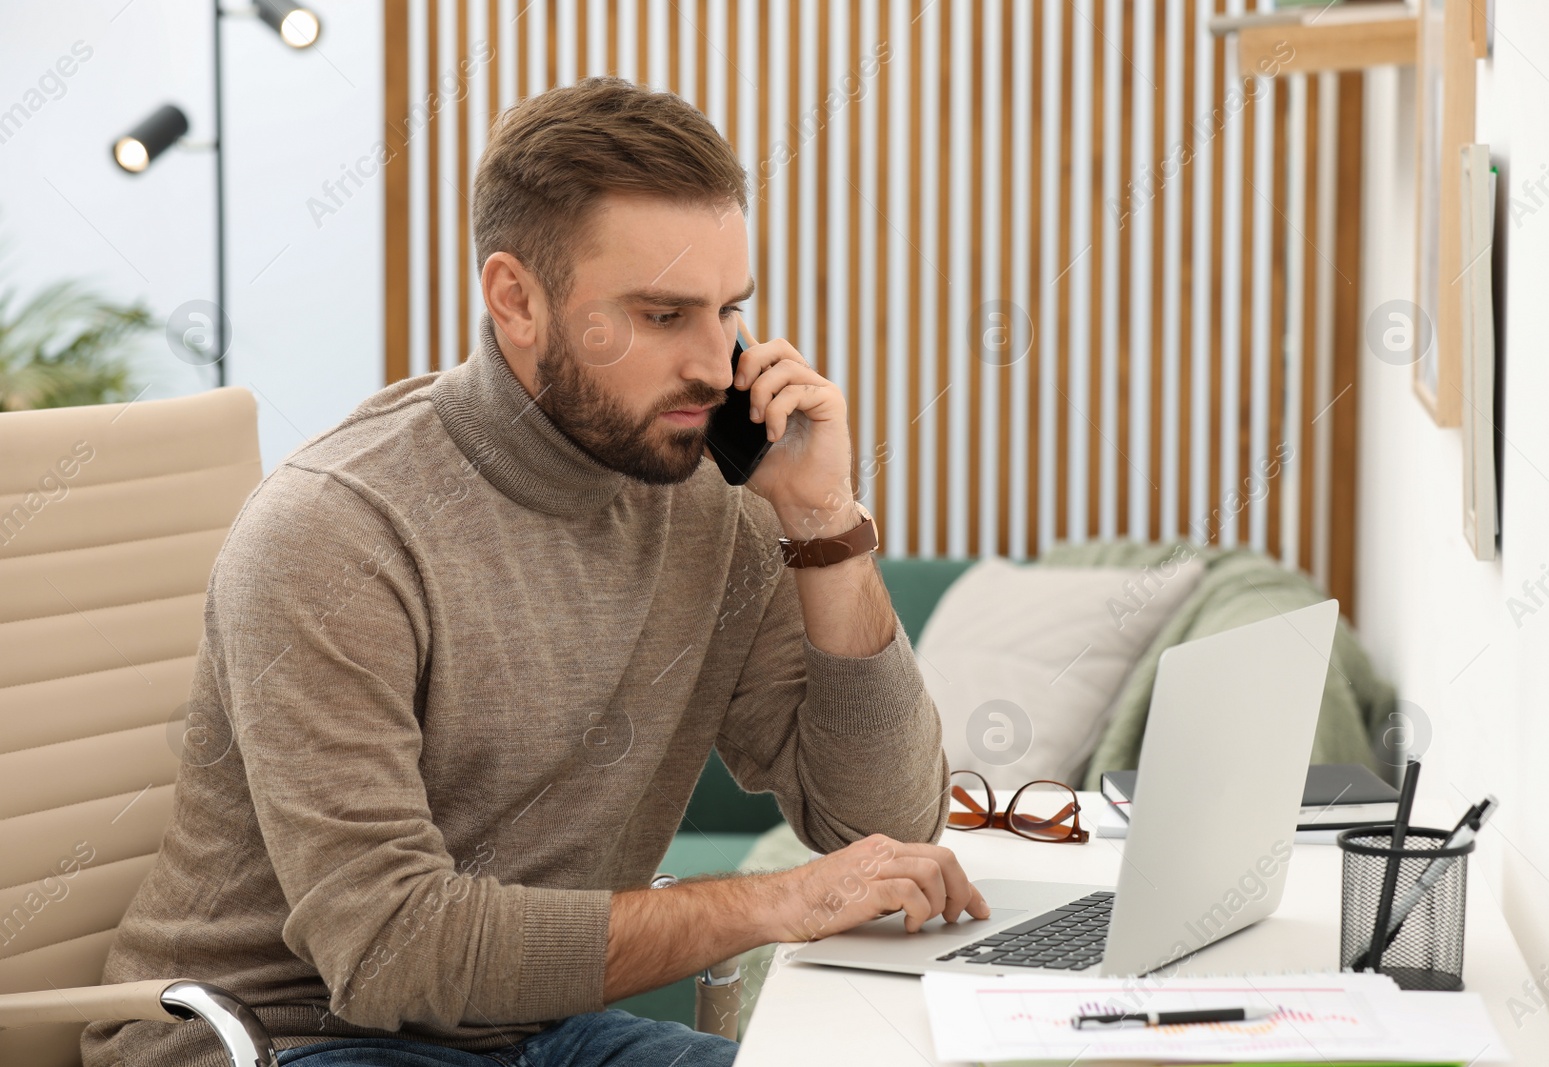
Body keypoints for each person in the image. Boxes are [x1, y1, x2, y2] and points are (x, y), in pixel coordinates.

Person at [83, 75, 988, 1067]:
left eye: (726, 310)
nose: (717, 365)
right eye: (660, 314)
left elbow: (882, 820)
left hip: (531, 1029)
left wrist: (821, 520)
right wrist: (765, 902)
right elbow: (389, 952)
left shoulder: (712, 494)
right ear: (515, 297)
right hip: (282, 1034)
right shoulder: (335, 531)